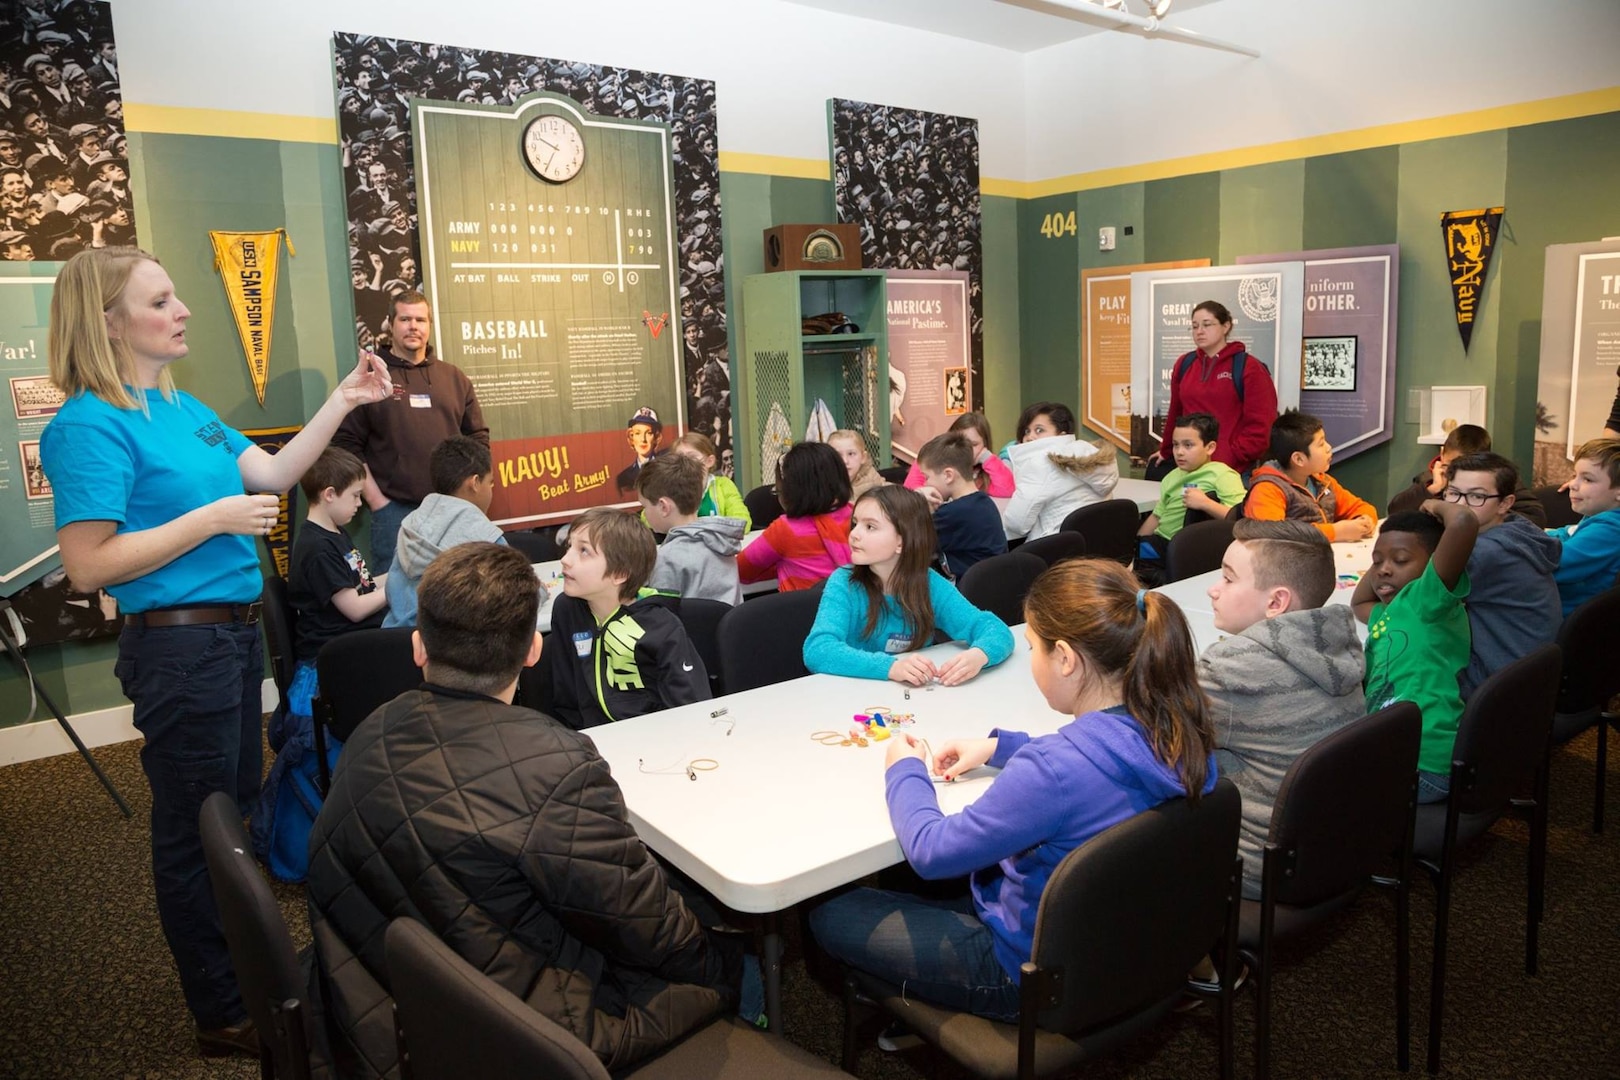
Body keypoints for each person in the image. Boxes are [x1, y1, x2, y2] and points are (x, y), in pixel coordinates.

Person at [38, 247, 394, 1056]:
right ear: (109, 322)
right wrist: (210, 521)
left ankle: (256, 982)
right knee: (200, 832)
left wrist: (343, 398)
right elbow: (87, 563)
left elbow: (269, 474)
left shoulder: (182, 405)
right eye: (160, 300)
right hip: (179, 647)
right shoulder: (87, 424)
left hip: (230, 640)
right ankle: (225, 1008)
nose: (182, 310)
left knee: (233, 816)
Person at [306, 543, 741, 1078]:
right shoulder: (558, 764)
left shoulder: (367, 731)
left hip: (373, 1002)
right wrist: (717, 959)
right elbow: (640, 922)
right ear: (533, 651)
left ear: (418, 648)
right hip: (526, 1036)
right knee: (723, 966)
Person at [808, 558, 1216, 1033]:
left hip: (1025, 974)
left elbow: (931, 851)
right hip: (1124, 944)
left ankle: (928, 1014)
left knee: (828, 914)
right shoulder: (1181, 733)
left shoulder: (1051, 773)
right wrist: (1003, 746)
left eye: (1034, 650)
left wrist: (904, 770)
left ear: (1065, 658)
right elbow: (1096, 756)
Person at [1203, 520, 1365, 896]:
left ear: (1276, 602)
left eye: (1228, 579)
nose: (1213, 590)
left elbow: (1145, 731)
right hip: (1331, 848)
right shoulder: (1339, 640)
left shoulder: (1231, 670)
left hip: (1253, 864)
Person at [256, 446, 388, 882]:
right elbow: (353, 607)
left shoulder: (336, 533)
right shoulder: (315, 546)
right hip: (330, 662)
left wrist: (404, 573)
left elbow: (367, 584)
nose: (360, 504)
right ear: (328, 494)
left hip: (346, 650)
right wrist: (407, 587)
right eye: (354, 496)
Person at [331, 290, 489, 574]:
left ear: (429, 325)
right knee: (398, 601)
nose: (413, 326)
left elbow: (478, 439)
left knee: (460, 592)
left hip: (452, 509)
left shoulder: (454, 378)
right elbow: (345, 444)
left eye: (420, 319)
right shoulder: (370, 378)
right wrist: (378, 502)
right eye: (405, 319)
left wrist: (471, 496)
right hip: (395, 514)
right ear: (390, 324)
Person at [804, 486, 1013, 685]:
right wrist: (890, 667)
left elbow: (993, 629)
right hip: (855, 698)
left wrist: (979, 655)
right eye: (855, 523)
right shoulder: (844, 582)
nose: (854, 534)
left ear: (901, 542)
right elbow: (818, 650)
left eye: (870, 527)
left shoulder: (928, 583)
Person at [1354, 502, 1479, 803]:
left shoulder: (1428, 602)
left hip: (1423, 767)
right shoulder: (1396, 611)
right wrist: (1382, 566)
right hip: (1403, 749)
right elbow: (1359, 604)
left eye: (1400, 560)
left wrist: (1434, 504)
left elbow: (1464, 521)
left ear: (1435, 563)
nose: (1384, 569)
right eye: (1377, 561)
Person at [548, 507, 711, 728]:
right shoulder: (567, 610)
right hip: (591, 742)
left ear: (619, 574)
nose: (566, 559)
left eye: (584, 551)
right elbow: (565, 694)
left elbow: (690, 705)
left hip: (655, 742)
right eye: (569, 546)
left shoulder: (662, 627)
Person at [1440, 452, 1561, 699]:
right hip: (1523, 669)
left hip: (1496, 683)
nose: (1460, 506)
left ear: (1505, 503)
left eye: (1477, 496)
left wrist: (1432, 508)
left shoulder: (1487, 552)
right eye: (1453, 493)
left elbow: (1412, 595)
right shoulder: (1516, 528)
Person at [383, 435, 507, 628]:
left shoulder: (409, 526)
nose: (492, 489)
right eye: (490, 482)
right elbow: (514, 599)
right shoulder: (487, 537)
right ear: (474, 483)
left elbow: (393, 591)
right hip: (451, 648)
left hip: (395, 643)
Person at [1147, 299, 1279, 477]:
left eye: (1207, 324)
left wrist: (1233, 455)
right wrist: (1167, 450)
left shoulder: (1249, 367)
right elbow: (1176, 413)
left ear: (1226, 326)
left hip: (1230, 470)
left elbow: (1261, 424)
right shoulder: (1184, 364)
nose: (1199, 331)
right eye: (1194, 326)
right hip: (1189, 468)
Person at [1135, 412, 1247, 576]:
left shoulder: (1221, 474)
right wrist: (1136, 544)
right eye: (1175, 445)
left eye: (1188, 445)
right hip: (1159, 544)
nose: (1179, 452)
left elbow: (1240, 519)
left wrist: (1205, 503)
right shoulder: (1171, 477)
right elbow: (1157, 516)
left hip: (1190, 550)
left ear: (1210, 448)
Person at [736, 440, 853, 592]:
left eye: (778, 491)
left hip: (801, 614)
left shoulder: (786, 529)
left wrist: (778, 563)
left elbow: (741, 572)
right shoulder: (858, 515)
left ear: (789, 491)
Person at [1243, 410, 1377, 543]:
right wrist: (1336, 532)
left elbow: (1359, 507)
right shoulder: (1266, 489)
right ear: (1299, 459)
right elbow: (1275, 536)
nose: (1329, 448)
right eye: (1321, 444)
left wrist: (1365, 520)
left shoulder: (1322, 481)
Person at [999, 401, 1119, 543]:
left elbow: (1016, 524)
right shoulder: (1092, 456)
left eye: (1039, 430)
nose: (1029, 437)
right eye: (1026, 431)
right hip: (1094, 550)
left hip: (1054, 552)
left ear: (1061, 435)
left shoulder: (1040, 464)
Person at [638, 452, 744, 605]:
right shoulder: (721, 540)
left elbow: (662, 613)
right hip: (731, 627)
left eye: (645, 506)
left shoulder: (667, 558)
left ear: (663, 507)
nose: (644, 513)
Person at [913, 432, 1007, 578]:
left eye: (927, 477)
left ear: (948, 475)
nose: (925, 484)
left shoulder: (952, 514)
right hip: (992, 586)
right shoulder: (984, 501)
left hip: (965, 592)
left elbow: (906, 538)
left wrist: (917, 498)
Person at [1548, 437, 1620, 616]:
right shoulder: (1596, 517)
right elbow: (1566, 533)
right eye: (1574, 475)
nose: (1573, 484)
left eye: (1587, 479)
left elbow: (1552, 565)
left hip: (1560, 620)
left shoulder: (1610, 530)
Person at [903, 411, 1015, 497]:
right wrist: (923, 493)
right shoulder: (931, 459)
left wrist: (987, 458)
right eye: (961, 443)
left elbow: (1007, 490)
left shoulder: (983, 473)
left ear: (984, 445)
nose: (967, 449)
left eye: (974, 444)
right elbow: (909, 493)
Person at [671, 430, 751, 526]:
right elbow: (650, 522)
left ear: (709, 461)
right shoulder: (669, 488)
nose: (685, 463)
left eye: (692, 457)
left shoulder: (723, 485)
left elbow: (742, 521)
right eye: (679, 458)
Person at [614, 405, 664, 494]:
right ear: (631, 437)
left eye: (649, 433)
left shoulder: (667, 469)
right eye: (638, 433)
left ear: (656, 437)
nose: (643, 439)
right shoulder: (623, 478)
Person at [827, 428, 887, 500]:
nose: (845, 461)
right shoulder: (821, 481)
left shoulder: (873, 481)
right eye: (837, 455)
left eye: (851, 454)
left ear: (863, 457)